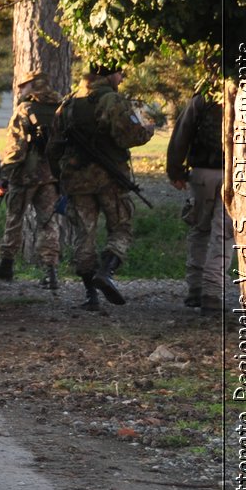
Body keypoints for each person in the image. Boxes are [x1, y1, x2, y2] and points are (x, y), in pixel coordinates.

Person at [47, 65, 144, 310]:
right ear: (108, 75)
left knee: (84, 235)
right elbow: (130, 136)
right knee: (121, 227)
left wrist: (61, 177)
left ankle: (91, 295)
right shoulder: (110, 100)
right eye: (120, 73)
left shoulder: (68, 103)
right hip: (110, 178)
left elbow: (53, 147)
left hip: (77, 179)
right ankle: (106, 271)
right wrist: (147, 128)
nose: (122, 78)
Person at [0, 67, 63, 290]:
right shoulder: (60, 109)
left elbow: (16, 149)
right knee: (48, 222)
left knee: (14, 219)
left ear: (33, 86)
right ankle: (50, 271)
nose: (20, 89)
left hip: (25, 176)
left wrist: (3, 177)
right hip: (51, 176)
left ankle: (6, 264)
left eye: (23, 85)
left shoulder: (25, 109)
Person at [167, 90, 232, 312]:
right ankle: (212, 293)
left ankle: (195, 288)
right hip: (235, 173)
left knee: (200, 229)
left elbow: (182, 133)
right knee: (223, 233)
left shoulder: (203, 98)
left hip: (201, 173)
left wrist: (175, 170)